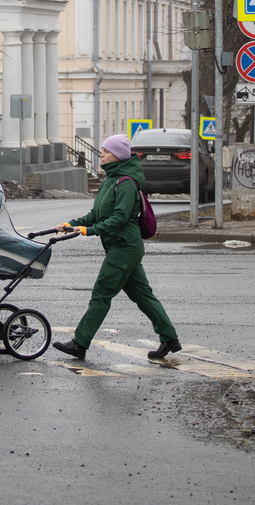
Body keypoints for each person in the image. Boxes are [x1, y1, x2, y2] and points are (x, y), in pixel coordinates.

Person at [51, 134, 180, 361]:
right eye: (102, 150)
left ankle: (80, 343)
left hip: (125, 246)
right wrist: (71, 225)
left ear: (118, 156)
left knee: (101, 293)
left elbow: (119, 219)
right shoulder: (110, 181)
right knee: (143, 296)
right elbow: (95, 215)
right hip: (120, 246)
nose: (102, 154)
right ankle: (169, 338)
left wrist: (89, 231)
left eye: (106, 151)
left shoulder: (127, 183)